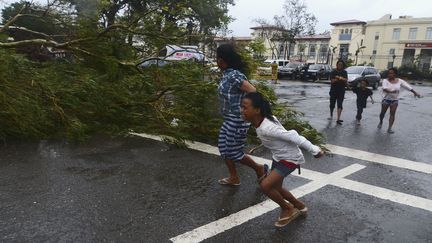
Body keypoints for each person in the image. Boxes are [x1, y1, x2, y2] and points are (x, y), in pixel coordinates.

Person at [240, 92, 324, 227]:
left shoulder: (268, 127)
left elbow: (293, 136)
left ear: (257, 110)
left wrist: (315, 150)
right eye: (242, 107)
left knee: (266, 185)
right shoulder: (262, 121)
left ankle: (287, 208)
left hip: (289, 158)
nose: (242, 110)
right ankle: (299, 205)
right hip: (279, 157)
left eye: (245, 107)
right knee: (276, 187)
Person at [216, 43, 266, 186]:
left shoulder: (235, 75)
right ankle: (234, 177)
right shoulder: (227, 74)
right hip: (228, 119)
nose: (217, 60)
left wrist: (247, 111)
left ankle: (259, 168)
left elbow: (253, 91)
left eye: (218, 57)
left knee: (233, 152)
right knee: (224, 149)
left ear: (221, 60)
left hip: (238, 120)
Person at [378, 67, 421, 133]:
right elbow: (384, 89)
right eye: (389, 73)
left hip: (395, 100)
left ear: (395, 74)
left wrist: (415, 92)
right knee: (382, 113)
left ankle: (389, 128)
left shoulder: (400, 81)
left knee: (392, 114)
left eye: (391, 73)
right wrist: (392, 91)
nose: (389, 75)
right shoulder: (385, 80)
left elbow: (408, 87)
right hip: (386, 99)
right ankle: (381, 121)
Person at [329, 60, 348, 125]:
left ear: (343, 66)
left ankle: (338, 118)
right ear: (336, 65)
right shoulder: (333, 72)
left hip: (341, 90)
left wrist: (339, 78)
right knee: (332, 104)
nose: (340, 66)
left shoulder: (344, 72)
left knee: (340, 104)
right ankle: (331, 114)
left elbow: (345, 80)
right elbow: (332, 81)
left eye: (341, 65)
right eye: (339, 64)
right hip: (333, 90)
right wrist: (339, 79)